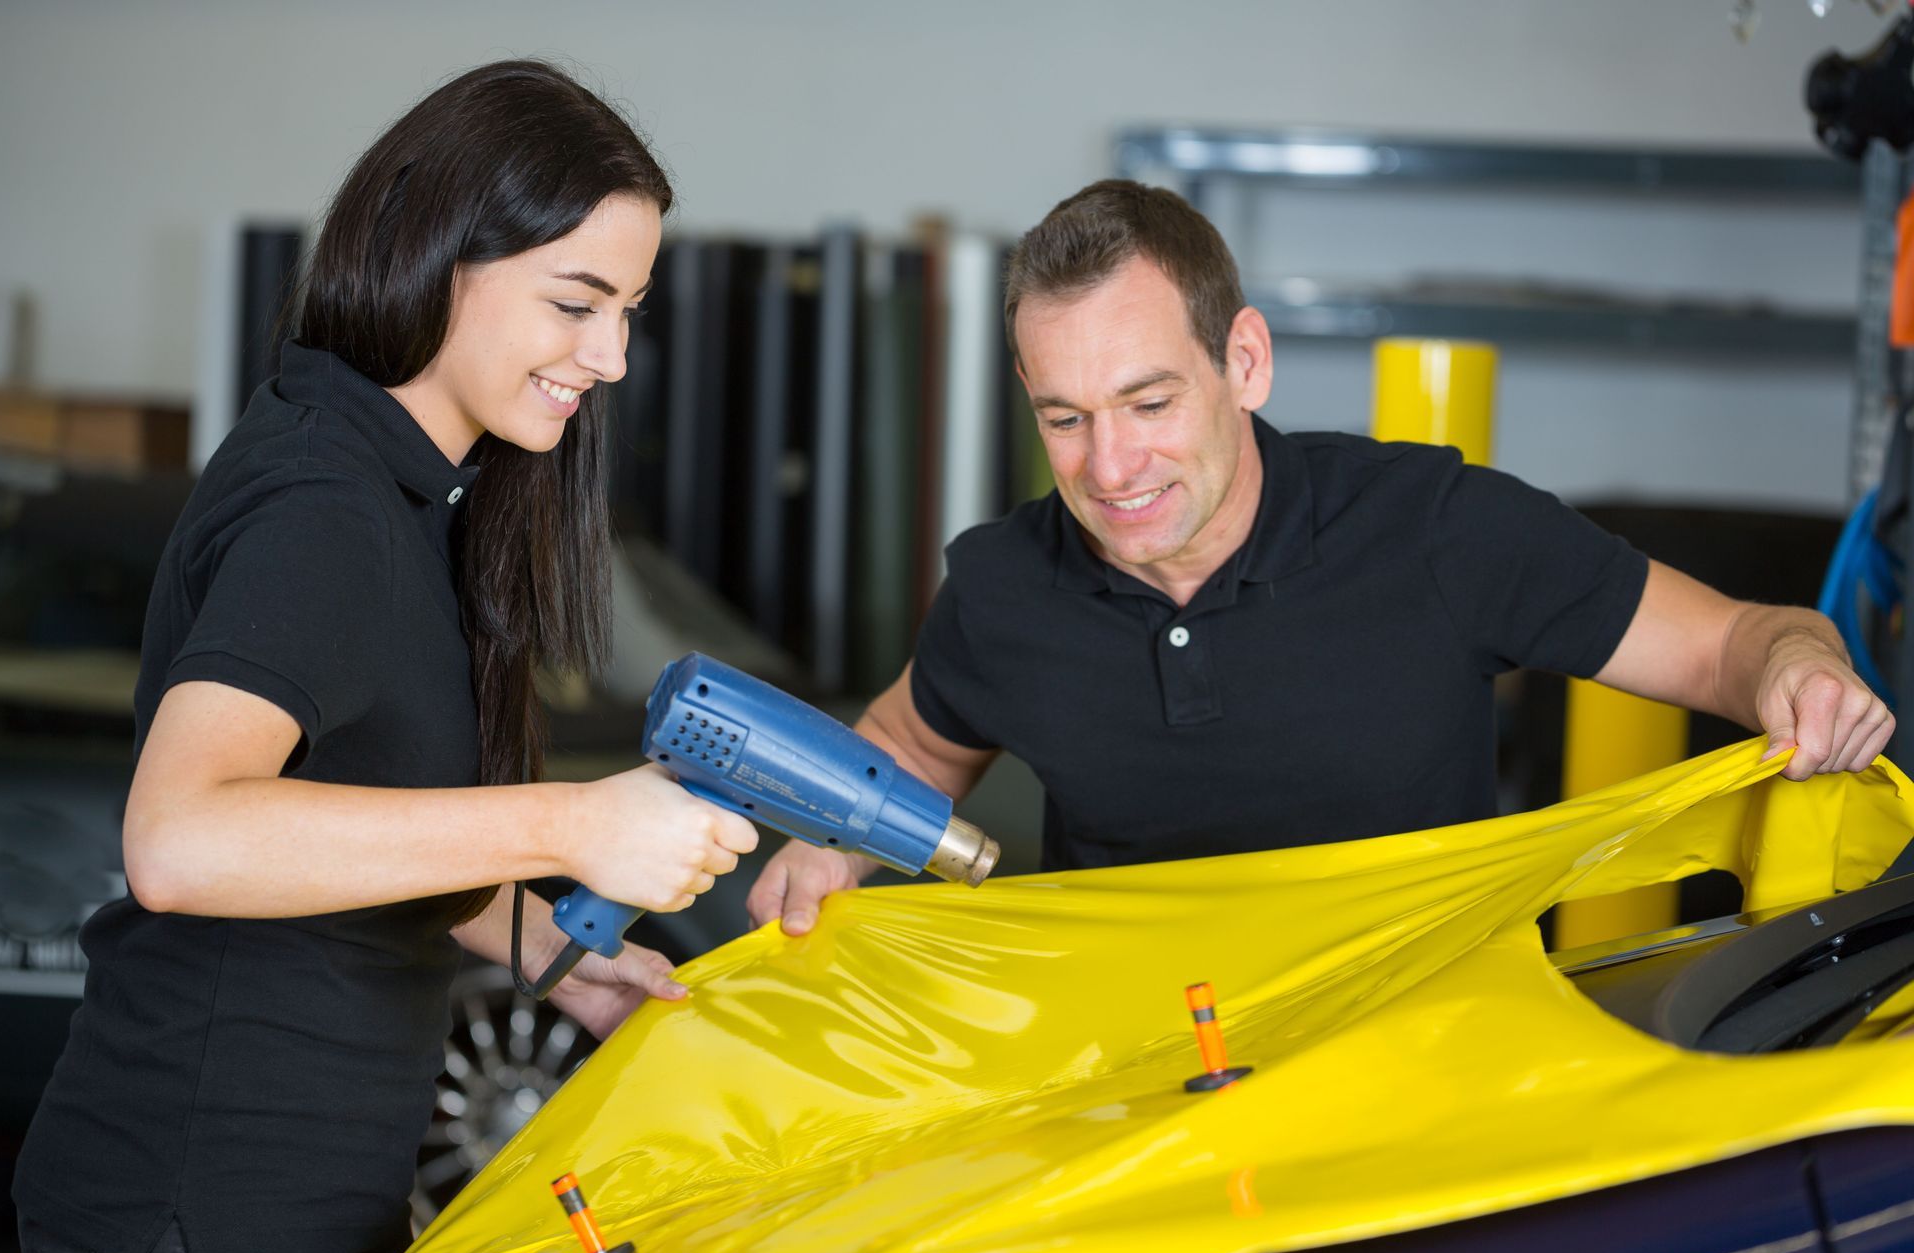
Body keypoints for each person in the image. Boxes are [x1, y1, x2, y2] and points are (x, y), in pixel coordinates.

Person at [13, 61, 758, 1253]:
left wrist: (558, 956)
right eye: (575, 304)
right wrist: (571, 822)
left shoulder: (423, 499)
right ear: (436, 254)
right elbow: (182, 840)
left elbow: (373, 837)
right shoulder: (328, 504)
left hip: (301, 1196)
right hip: (198, 1205)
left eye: (629, 308)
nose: (612, 356)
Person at [748, 179, 1893, 935]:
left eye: (1148, 401)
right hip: (1130, 1096)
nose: (1109, 465)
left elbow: (1738, 643)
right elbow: (901, 746)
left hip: (1409, 1085)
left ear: (1244, 361)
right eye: (1065, 417)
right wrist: (825, 844)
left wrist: (1801, 670)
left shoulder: (1433, 529)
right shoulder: (1005, 587)